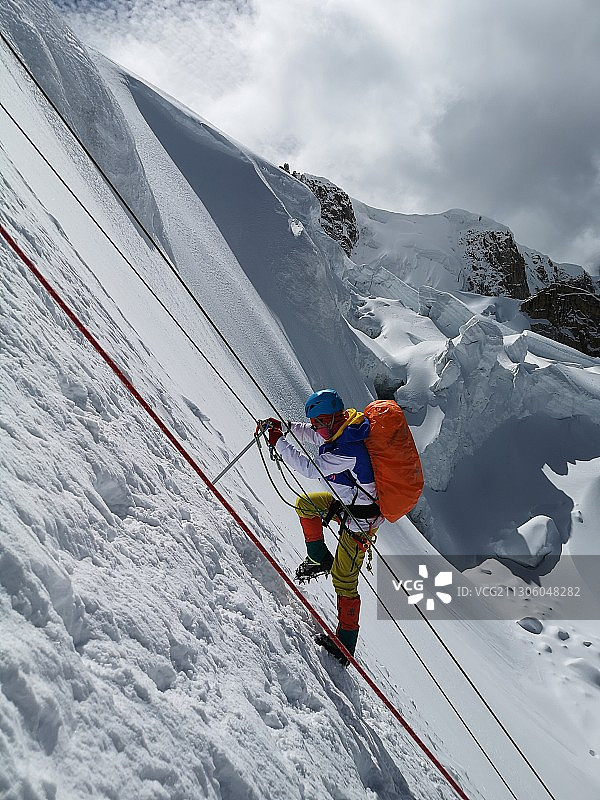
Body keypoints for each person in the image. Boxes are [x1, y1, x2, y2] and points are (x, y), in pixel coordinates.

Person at [259, 389, 383, 665]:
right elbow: (313, 435)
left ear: (331, 418)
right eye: (314, 423)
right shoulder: (341, 428)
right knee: (306, 505)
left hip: (360, 521)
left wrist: (279, 441)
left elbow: (309, 469)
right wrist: (285, 427)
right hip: (347, 505)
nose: (316, 428)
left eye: (319, 422)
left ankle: (345, 646)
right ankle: (319, 558)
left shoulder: (348, 449)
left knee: (344, 579)